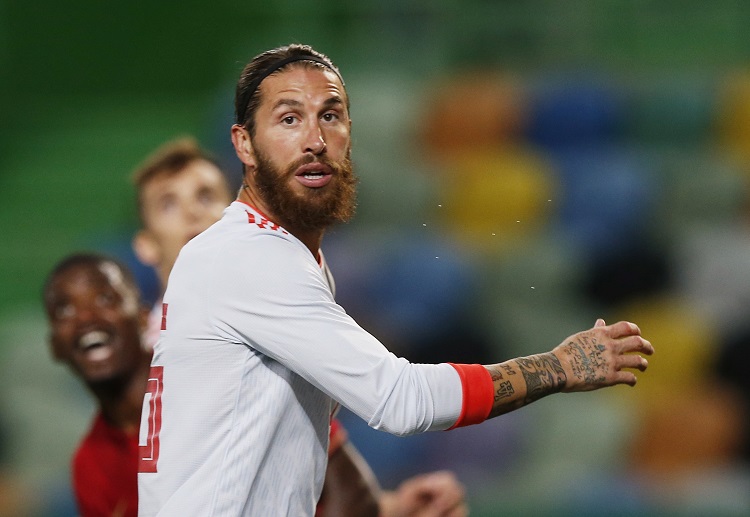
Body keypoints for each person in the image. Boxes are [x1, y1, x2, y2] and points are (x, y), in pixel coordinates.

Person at [137, 43, 654, 516]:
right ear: (244, 144)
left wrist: (382, 508)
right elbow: (400, 400)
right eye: (289, 119)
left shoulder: (267, 254)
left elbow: (261, 456)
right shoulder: (249, 259)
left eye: (330, 116)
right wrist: (558, 367)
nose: (315, 140)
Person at [131, 137, 468, 516]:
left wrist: (393, 508)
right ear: (146, 244)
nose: (192, 212)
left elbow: (302, 473)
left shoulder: (269, 317)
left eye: (206, 195)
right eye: (168, 203)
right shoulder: (133, 358)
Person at [43, 253, 152, 517]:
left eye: (105, 299)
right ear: (54, 347)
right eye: (64, 310)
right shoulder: (90, 467)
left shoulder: (201, 396)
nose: (85, 318)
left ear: (142, 318)